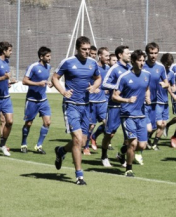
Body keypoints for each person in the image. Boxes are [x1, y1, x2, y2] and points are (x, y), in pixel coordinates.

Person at [51, 36, 101, 185]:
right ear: (77, 49)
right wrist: (63, 91)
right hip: (71, 105)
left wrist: (94, 87)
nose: (87, 52)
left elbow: (98, 78)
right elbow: (54, 78)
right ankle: (79, 176)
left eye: (88, 49)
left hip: (86, 106)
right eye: (83, 49)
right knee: (78, 140)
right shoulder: (68, 62)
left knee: (82, 141)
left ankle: (61, 151)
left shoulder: (93, 63)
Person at [113, 49, 151, 177]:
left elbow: (146, 88)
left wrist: (148, 97)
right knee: (133, 143)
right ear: (133, 61)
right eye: (139, 61)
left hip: (141, 114)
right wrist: (127, 100)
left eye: (143, 60)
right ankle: (128, 169)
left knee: (142, 145)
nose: (142, 63)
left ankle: (122, 151)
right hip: (127, 114)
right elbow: (114, 96)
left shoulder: (147, 75)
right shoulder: (124, 77)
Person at [100, 46, 131, 167]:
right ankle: (103, 155)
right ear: (120, 55)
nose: (129, 55)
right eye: (127, 53)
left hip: (127, 106)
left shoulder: (130, 68)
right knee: (110, 133)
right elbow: (104, 84)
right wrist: (118, 87)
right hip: (114, 106)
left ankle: (121, 155)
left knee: (129, 134)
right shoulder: (114, 69)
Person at [20, 46, 53, 154]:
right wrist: (37, 83)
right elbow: (24, 81)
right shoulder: (33, 67)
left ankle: (39, 146)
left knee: (47, 122)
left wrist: (49, 83)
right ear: (41, 56)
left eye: (50, 55)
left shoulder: (48, 67)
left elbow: (44, 80)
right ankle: (24, 144)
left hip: (43, 100)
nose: (50, 58)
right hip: (32, 100)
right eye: (48, 56)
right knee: (28, 124)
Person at [143, 42, 169, 150]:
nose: (153, 55)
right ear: (147, 53)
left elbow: (167, 82)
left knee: (153, 127)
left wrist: (164, 84)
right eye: (151, 53)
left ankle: (145, 141)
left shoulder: (160, 67)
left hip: (154, 102)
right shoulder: (141, 65)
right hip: (142, 102)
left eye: (156, 53)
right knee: (147, 128)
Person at [84, 47, 110, 155]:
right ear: (100, 56)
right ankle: (85, 146)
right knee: (91, 125)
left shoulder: (108, 68)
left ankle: (94, 136)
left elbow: (109, 81)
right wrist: (92, 88)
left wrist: (108, 88)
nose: (108, 58)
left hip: (103, 101)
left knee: (108, 124)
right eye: (106, 56)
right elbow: (85, 81)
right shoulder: (92, 67)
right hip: (92, 101)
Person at [0, 41, 17, 156]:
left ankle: (2, 145)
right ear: (3, 51)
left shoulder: (6, 62)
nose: (11, 52)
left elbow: (4, 79)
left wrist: (9, 82)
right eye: (9, 50)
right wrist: (3, 77)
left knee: (9, 121)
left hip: (5, 98)